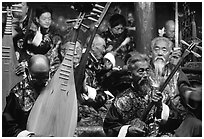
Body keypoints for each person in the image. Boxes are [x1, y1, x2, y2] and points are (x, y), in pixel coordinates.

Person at [103, 52, 168, 137]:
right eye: (141, 71)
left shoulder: (160, 95)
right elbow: (109, 127)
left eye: (147, 70)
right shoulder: (122, 100)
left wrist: (160, 107)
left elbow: (176, 120)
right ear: (130, 75)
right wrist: (128, 130)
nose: (145, 75)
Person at [149, 36, 202, 137]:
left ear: (169, 55)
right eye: (156, 49)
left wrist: (191, 94)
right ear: (151, 53)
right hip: (152, 119)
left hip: (177, 119)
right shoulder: (144, 71)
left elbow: (183, 87)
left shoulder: (176, 72)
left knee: (196, 125)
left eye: (164, 50)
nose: (160, 53)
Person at [2, 54, 50, 137]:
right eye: (36, 78)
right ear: (28, 72)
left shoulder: (53, 88)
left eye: (44, 78)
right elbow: (8, 125)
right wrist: (26, 135)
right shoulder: (17, 93)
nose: (40, 82)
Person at [15, 5, 61, 79]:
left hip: (48, 70)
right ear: (37, 19)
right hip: (28, 70)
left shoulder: (55, 37)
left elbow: (53, 56)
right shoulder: (30, 34)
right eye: (44, 19)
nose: (47, 21)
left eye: (49, 19)